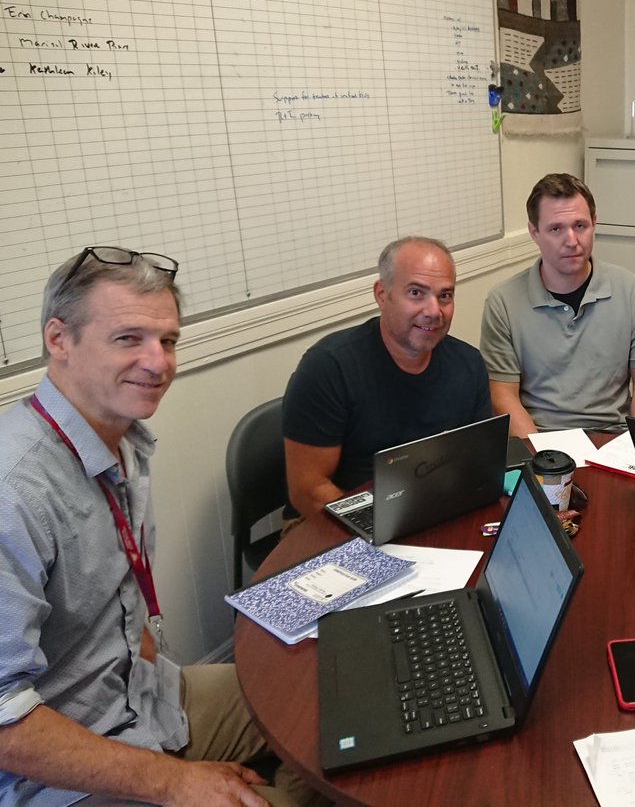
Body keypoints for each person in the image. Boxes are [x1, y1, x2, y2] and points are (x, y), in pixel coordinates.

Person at [0, 247, 319, 805]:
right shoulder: (15, 489)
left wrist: (173, 755)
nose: (158, 362)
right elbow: (6, 721)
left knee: (326, 693)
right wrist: (171, 780)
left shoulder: (124, 439)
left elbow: (122, 606)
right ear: (59, 339)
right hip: (58, 773)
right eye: (129, 338)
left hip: (144, 699)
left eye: (168, 340)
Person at [283, 237, 490, 517]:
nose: (433, 311)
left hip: (429, 512)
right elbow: (307, 490)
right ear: (382, 294)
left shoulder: (469, 364)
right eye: (416, 293)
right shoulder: (328, 368)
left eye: (445, 296)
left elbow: (475, 465)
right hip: (333, 520)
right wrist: (377, 526)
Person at [480, 173, 635, 437]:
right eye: (556, 229)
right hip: (539, 440)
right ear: (534, 232)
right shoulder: (503, 302)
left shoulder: (629, 289)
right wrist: (541, 458)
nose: (571, 240)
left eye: (580, 226)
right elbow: (502, 396)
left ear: (594, 223)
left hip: (612, 438)